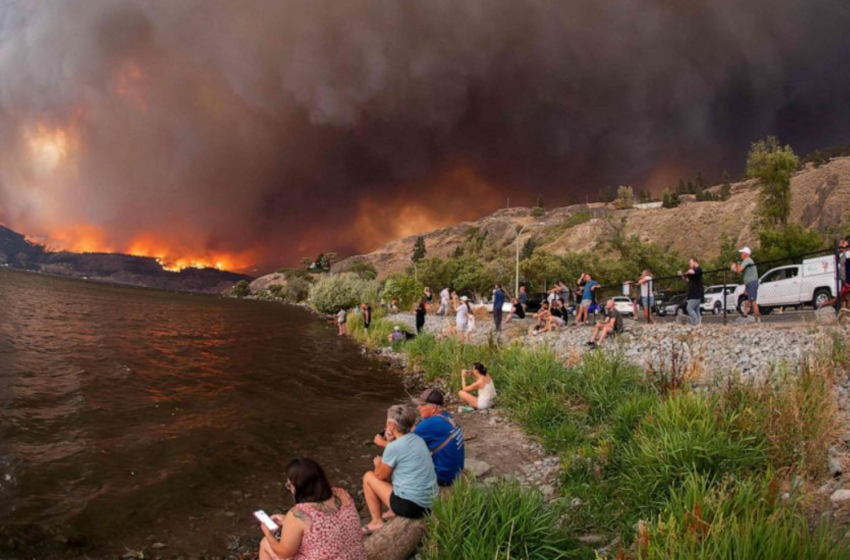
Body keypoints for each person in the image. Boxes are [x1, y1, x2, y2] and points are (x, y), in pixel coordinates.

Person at [258, 458, 366, 560]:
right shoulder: (341, 494)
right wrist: (288, 522)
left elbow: (283, 553)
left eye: (289, 485)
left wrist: (268, 533)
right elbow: (327, 522)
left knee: (265, 543)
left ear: (298, 487)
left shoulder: (299, 513)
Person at [362, 405, 439, 533]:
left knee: (368, 476)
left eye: (387, 422)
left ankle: (377, 522)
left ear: (392, 425)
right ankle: (392, 511)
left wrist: (378, 464)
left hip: (413, 506)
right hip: (431, 501)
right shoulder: (418, 439)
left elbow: (381, 476)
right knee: (399, 471)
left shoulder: (393, 448)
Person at [374, 389, 465, 487]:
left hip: (444, 477)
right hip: (456, 472)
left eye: (422, 405)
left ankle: (396, 494)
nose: (418, 408)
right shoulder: (444, 416)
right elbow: (416, 432)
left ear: (433, 408)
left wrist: (381, 442)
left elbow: (402, 447)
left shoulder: (430, 423)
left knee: (391, 467)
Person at [732, 247, 760, 322]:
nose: (741, 254)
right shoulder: (747, 261)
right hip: (749, 283)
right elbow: (739, 270)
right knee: (747, 298)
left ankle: (756, 321)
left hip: (752, 283)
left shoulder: (747, 260)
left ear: (746, 254)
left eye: (742, 253)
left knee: (753, 301)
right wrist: (734, 268)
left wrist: (735, 265)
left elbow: (739, 270)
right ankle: (745, 314)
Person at [680, 257, 704, 326]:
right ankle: (699, 323)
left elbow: (692, 272)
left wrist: (687, 272)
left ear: (695, 262)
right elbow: (687, 281)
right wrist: (682, 276)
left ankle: (696, 322)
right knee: (696, 309)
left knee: (689, 308)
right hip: (692, 293)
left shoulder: (698, 269)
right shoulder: (692, 273)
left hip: (696, 293)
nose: (690, 265)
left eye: (691, 263)